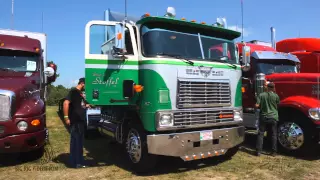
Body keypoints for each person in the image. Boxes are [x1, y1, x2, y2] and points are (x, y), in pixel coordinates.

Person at [63, 77, 91, 168]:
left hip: (80, 120)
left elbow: (80, 105)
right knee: (76, 142)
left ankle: (80, 161)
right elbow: (65, 103)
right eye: (86, 85)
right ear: (82, 83)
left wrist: (87, 105)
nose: (86, 87)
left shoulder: (80, 93)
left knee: (80, 142)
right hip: (75, 120)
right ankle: (75, 163)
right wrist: (66, 117)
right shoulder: (73, 91)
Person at [255, 82, 280, 157]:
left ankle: (259, 151)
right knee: (274, 134)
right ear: (273, 88)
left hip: (264, 116)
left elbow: (257, 105)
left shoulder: (261, 95)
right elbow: (278, 105)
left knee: (261, 133)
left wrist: (256, 105)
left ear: (267, 87)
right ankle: (274, 152)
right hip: (274, 117)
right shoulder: (276, 96)